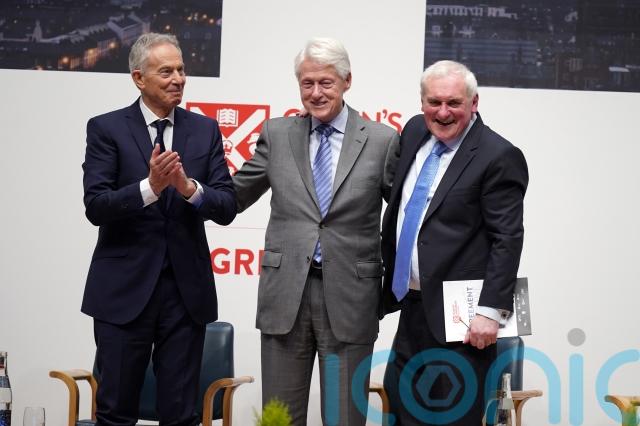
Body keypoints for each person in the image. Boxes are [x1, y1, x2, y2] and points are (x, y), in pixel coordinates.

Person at [232, 37, 400, 425]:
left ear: (346, 81)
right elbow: (234, 196)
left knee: (345, 419)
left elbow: (402, 218)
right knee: (278, 419)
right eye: (307, 83)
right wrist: (189, 188)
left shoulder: (382, 140)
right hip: (285, 296)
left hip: (351, 298)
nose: (316, 92)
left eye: (326, 82)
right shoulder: (276, 134)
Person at [81, 33, 235, 426]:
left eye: (181, 70)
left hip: (185, 296)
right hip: (123, 292)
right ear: (139, 78)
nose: (178, 79)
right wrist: (150, 188)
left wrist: (188, 188)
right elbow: (96, 206)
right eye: (166, 72)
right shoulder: (107, 128)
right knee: (115, 412)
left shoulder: (205, 130)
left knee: (180, 415)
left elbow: (226, 206)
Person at [381, 60, 528, 425]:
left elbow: (507, 239)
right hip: (411, 307)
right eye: (434, 102)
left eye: (454, 103)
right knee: (403, 414)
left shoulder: (498, 155)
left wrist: (489, 312)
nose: (443, 112)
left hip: (462, 324)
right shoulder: (414, 131)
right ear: (422, 102)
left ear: (474, 102)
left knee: (452, 418)